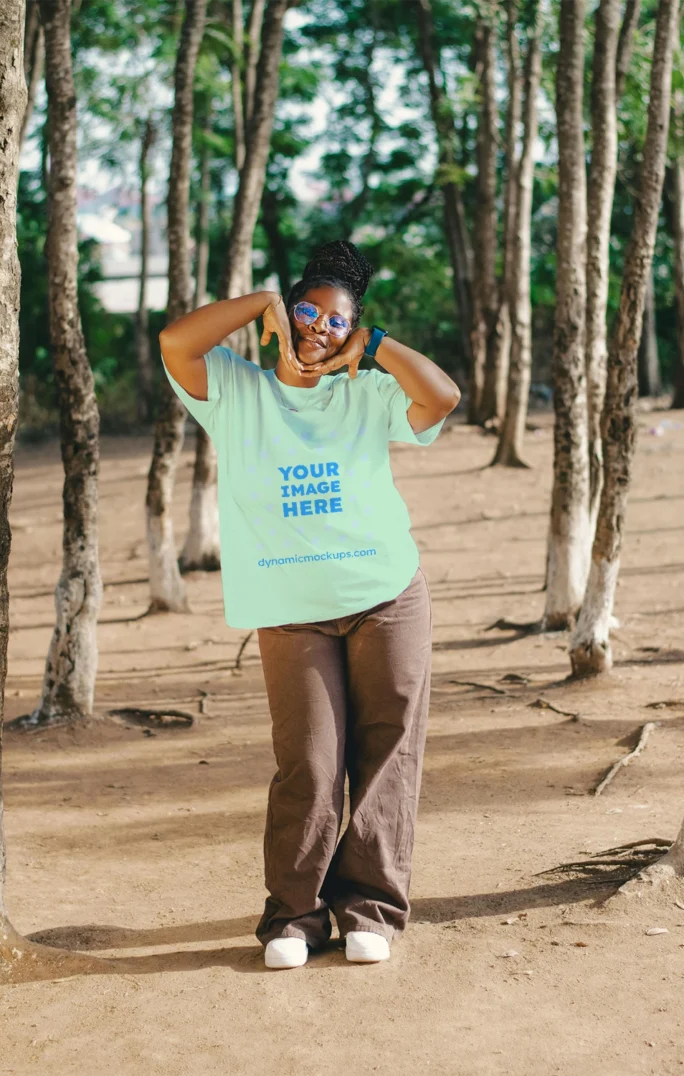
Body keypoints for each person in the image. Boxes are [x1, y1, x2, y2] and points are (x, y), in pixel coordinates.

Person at [159, 240, 460, 969]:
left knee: (388, 753)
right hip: (293, 612)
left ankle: (372, 909)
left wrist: (376, 346)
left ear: (353, 329)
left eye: (337, 319)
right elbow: (175, 340)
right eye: (305, 310)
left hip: (385, 595)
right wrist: (259, 302)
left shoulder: (367, 389)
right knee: (310, 764)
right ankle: (294, 915)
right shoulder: (235, 390)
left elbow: (442, 396)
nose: (318, 327)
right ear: (284, 315)